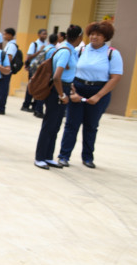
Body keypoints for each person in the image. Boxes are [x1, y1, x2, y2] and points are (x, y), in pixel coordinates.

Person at [57, 21, 123, 169]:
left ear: (105, 37)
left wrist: (98, 96)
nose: (94, 37)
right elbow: (71, 71)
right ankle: (64, 156)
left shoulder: (112, 53)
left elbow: (115, 77)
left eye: (98, 35)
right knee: (71, 125)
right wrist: (73, 92)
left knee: (91, 126)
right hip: (78, 88)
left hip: (99, 91)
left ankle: (87, 157)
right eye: (92, 34)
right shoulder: (80, 50)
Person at [34, 25, 83, 169]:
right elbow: (57, 77)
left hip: (65, 87)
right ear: (79, 37)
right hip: (58, 90)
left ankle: (48, 156)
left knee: (55, 125)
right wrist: (62, 95)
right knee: (49, 124)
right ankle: (40, 157)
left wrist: (70, 87)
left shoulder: (70, 50)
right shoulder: (66, 51)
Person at [22, 29, 48, 116]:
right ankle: (26, 104)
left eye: (46, 34)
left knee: (39, 87)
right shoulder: (34, 44)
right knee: (31, 86)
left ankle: (35, 105)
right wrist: (39, 51)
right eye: (43, 34)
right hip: (33, 68)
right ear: (39, 34)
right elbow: (29, 56)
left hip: (41, 69)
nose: (45, 35)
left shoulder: (47, 44)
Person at [0, 28, 18, 115]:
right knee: (1, 88)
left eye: (5, 34)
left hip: (5, 70)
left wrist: (2, 67)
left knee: (3, 89)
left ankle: (1, 108)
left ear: (10, 35)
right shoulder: (9, 44)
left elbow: (9, 58)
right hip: (3, 69)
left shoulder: (12, 45)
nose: (4, 36)